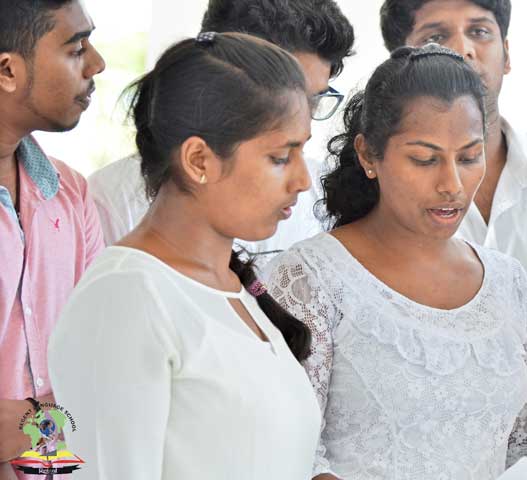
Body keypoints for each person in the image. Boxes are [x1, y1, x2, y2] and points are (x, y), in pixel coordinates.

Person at [263, 43, 527, 480]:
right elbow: (285, 452)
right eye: (424, 159)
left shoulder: (509, 284)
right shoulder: (309, 279)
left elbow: (522, 450)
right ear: (368, 155)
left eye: (469, 157)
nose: (452, 184)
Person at [48, 33, 321, 479]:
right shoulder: (126, 296)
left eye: (301, 151)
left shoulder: (233, 289)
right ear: (198, 160)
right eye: (279, 157)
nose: (303, 180)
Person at [380, 0, 527, 350]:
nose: (463, 48)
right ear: (399, 66)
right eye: (436, 37)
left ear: (506, 55)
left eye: (479, 31)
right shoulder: (377, 190)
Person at [88, 0, 355, 259]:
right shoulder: (112, 205)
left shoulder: (320, 197)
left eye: (314, 99)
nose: (302, 119)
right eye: (287, 98)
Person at [0, 0, 105, 477]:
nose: (97, 64)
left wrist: (29, 424)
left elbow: (100, 365)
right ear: (7, 70)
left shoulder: (70, 193)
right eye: (76, 48)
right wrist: (51, 418)